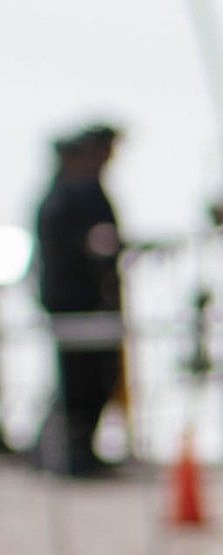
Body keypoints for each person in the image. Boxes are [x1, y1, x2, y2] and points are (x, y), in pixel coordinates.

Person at [31, 121, 125, 471]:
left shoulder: (76, 194)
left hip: (89, 301)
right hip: (75, 303)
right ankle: (68, 452)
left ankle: (76, 450)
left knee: (93, 377)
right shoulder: (63, 199)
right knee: (77, 380)